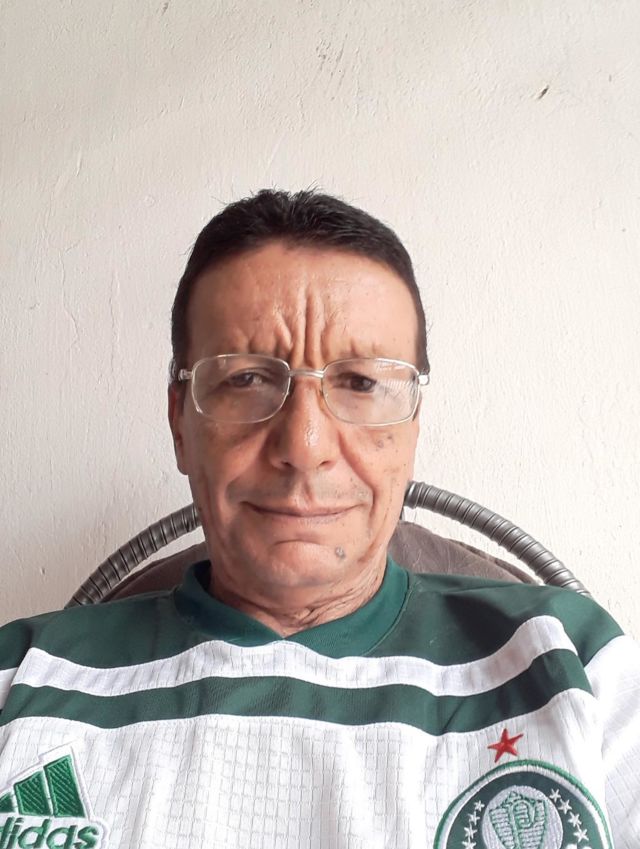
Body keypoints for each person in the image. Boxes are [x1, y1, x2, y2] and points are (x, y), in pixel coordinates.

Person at [0, 190, 638, 849]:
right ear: (180, 424)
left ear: (413, 426)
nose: (304, 447)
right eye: (247, 378)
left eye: (360, 382)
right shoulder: (19, 677)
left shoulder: (576, 661)